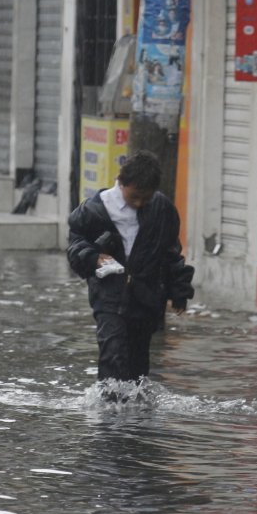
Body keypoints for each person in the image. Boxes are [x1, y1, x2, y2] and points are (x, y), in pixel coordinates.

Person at [66, 150, 195, 391]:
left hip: (145, 297)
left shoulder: (161, 210)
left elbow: (169, 253)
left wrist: (179, 291)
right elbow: (74, 248)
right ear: (121, 183)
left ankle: (134, 419)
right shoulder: (93, 211)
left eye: (145, 199)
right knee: (112, 354)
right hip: (108, 296)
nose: (138, 204)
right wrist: (94, 258)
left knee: (138, 364)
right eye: (134, 196)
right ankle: (110, 418)